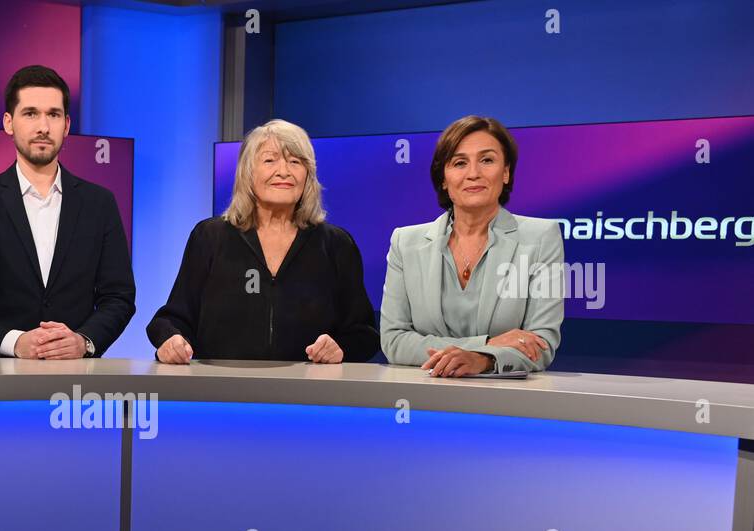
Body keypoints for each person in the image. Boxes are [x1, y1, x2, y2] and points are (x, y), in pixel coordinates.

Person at [147, 119, 378, 365]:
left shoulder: (335, 244)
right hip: (222, 392)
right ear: (248, 173)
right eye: (270, 160)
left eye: (295, 161)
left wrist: (340, 347)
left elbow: (364, 334)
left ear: (308, 175)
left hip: (309, 394)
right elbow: (172, 319)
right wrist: (171, 339)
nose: (284, 171)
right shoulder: (209, 237)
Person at [0, 65, 135, 359]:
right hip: (0, 381)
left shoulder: (100, 204)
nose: (43, 127)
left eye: (54, 115)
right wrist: (15, 342)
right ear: (9, 122)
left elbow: (119, 296)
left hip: (78, 383)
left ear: (67, 125)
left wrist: (83, 341)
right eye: (31, 113)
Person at [380, 115, 564, 377]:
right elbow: (394, 341)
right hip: (423, 398)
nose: (473, 173)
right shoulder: (405, 242)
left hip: (502, 404)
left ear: (506, 172)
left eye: (487, 160)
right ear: (443, 177)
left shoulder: (541, 237)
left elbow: (540, 345)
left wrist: (483, 361)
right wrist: (486, 346)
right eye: (459, 163)